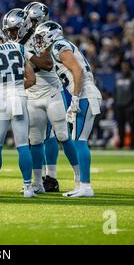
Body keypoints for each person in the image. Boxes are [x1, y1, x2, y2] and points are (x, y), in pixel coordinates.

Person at [34, 21, 102, 197]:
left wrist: (76, 98)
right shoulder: (60, 45)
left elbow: (78, 71)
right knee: (78, 139)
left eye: (41, 37)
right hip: (86, 94)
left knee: (79, 141)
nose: (40, 41)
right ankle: (81, 185)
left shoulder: (59, 45)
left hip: (85, 94)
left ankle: (85, 186)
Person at [0, 23, 36, 198]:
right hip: (19, 96)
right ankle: (27, 188)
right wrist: (16, 88)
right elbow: (31, 79)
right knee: (23, 145)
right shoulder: (19, 47)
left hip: (1, 97)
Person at [114, 60, 134, 149]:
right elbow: (115, 91)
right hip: (119, 105)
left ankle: (133, 143)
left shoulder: (133, 78)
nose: (124, 68)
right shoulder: (118, 77)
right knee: (120, 126)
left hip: (129, 105)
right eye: (123, 67)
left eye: (126, 67)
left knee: (132, 125)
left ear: (129, 67)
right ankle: (121, 143)